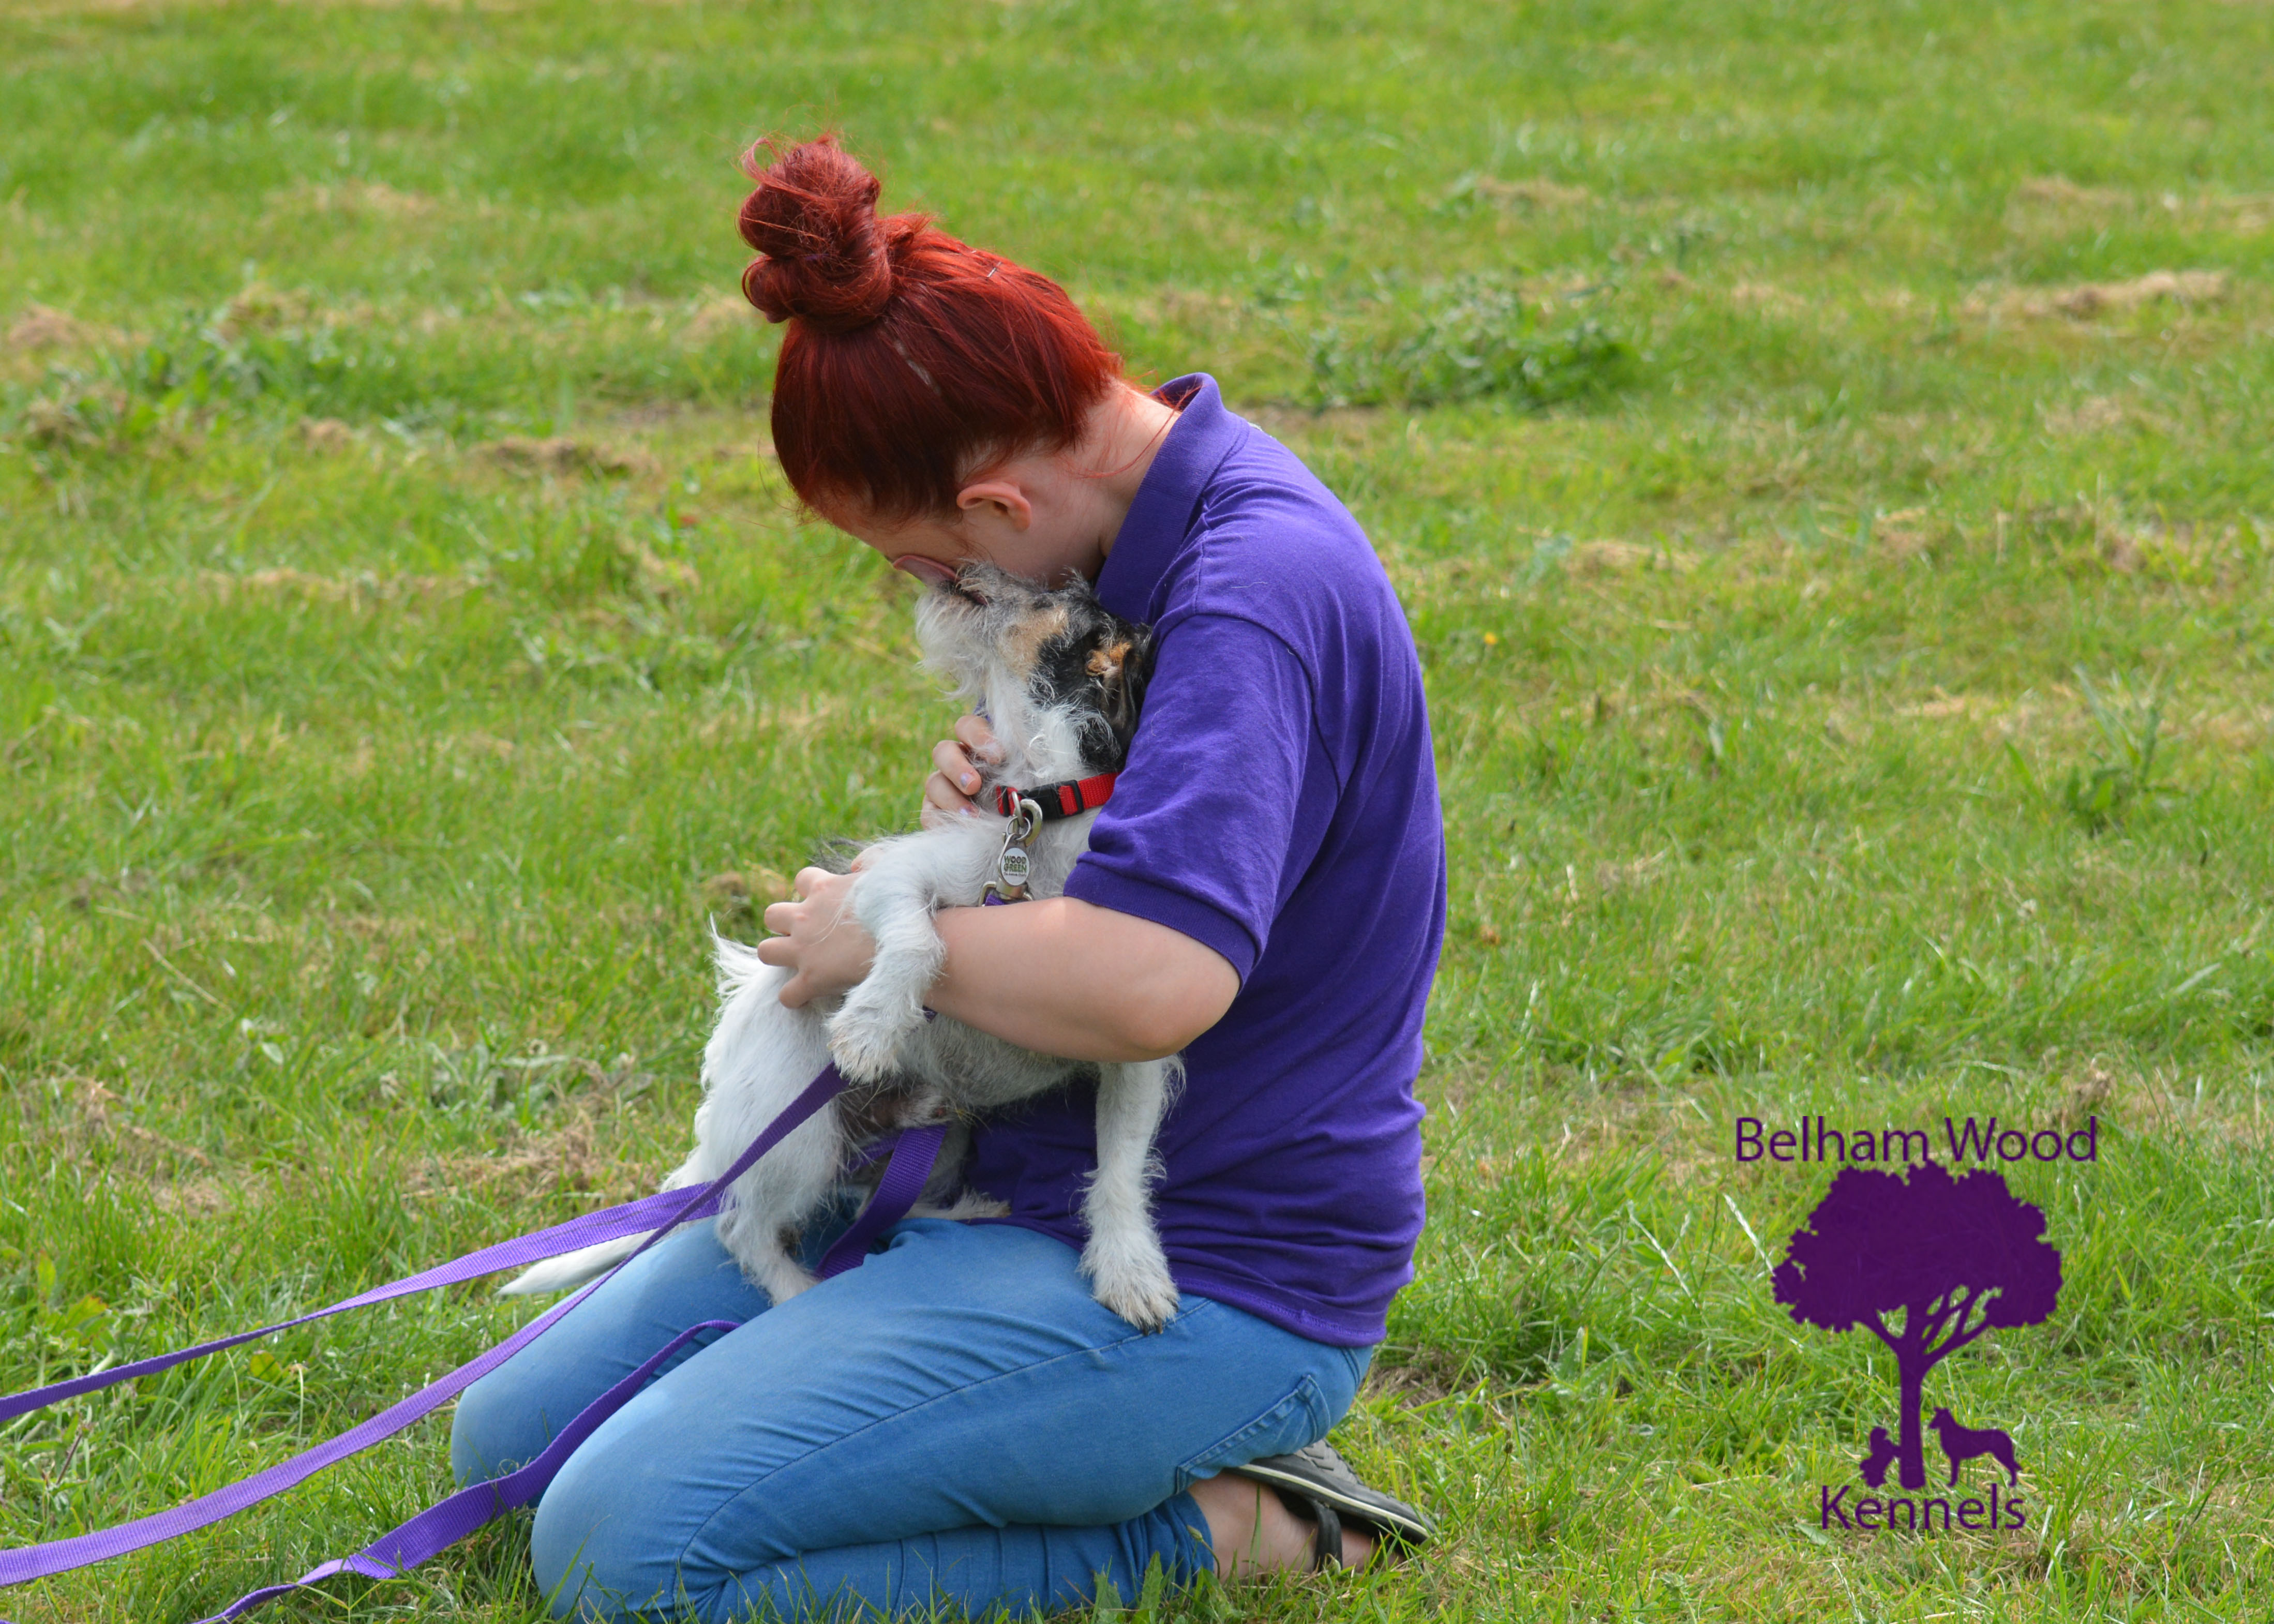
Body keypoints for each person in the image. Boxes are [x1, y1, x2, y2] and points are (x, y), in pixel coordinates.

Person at [450, 134, 1448, 1621]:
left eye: (927, 570)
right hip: (990, 1187)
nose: (941, 605)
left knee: (622, 1551)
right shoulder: (1113, 543)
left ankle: (1240, 1518)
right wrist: (993, 824)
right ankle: (1014, 1411)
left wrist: (874, 936)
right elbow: (1098, 860)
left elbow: (1153, 979)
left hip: (1212, 1258)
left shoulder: (1254, 595)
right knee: (508, 1455)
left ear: (992, 508)